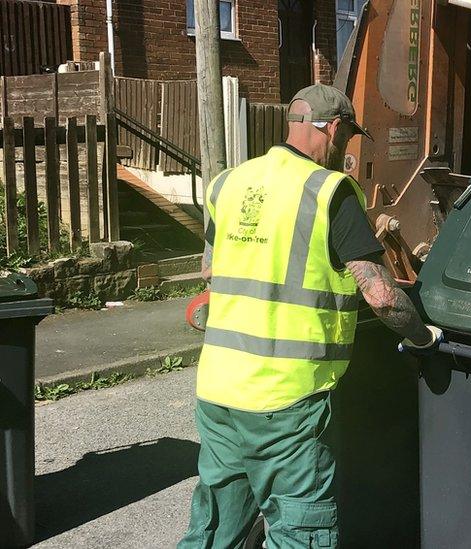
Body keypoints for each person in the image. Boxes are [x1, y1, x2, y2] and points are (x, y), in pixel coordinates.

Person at [179, 84, 441, 548]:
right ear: (335, 129)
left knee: (217, 528)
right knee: (300, 531)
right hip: (286, 401)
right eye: (347, 138)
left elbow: (210, 270)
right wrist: (423, 338)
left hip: (217, 392)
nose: (345, 149)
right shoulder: (330, 192)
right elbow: (380, 296)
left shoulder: (228, 183)